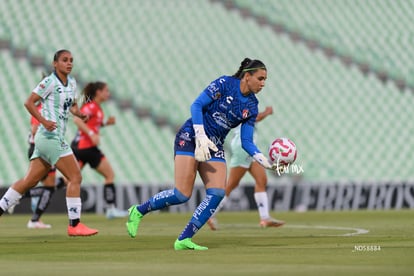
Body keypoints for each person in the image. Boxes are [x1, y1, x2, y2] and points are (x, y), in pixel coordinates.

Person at [126, 58, 278, 250]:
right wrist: (200, 135)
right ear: (247, 76)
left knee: (217, 193)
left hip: (214, 144)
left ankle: (183, 239)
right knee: (182, 194)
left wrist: (264, 161)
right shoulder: (225, 83)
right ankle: (138, 211)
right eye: (260, 78)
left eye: (265, 80)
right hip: (191, 135)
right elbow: (196, 105)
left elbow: (247, 141)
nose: (263, 83)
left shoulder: (252, 106)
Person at [0, 49, 98, 236]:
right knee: (75, 177)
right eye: (64, 60)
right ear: (55, 64)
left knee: (29, 181)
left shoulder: (72, 83)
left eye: (71, 60)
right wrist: (44, 121)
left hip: (51, 139)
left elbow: (73, 105)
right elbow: (29, 102)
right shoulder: (49, 82)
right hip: (49, 137)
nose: (69, 63)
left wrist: (79, 114)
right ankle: (74, 224)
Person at [207, 106, 285, 230]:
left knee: (261, 180)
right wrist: (267, 112)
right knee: (231, 184)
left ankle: (265, 218)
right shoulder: (242, 101)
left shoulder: (244, 101)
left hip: (249, 147)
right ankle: (209, 214)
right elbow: (255, 117)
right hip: (242, 147)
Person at [71, 81, 128, 219]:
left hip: (79, 148)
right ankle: (111, 209)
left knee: (69, 180)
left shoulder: (97, 108)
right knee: (110, 175)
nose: (108, 93)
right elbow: (77, 120)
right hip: (87, 147)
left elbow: (92, 123)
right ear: (98, 92)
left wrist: (105, 123)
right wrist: (91, 134)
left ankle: (35, 192)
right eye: (106, 91)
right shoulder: (91, 107)